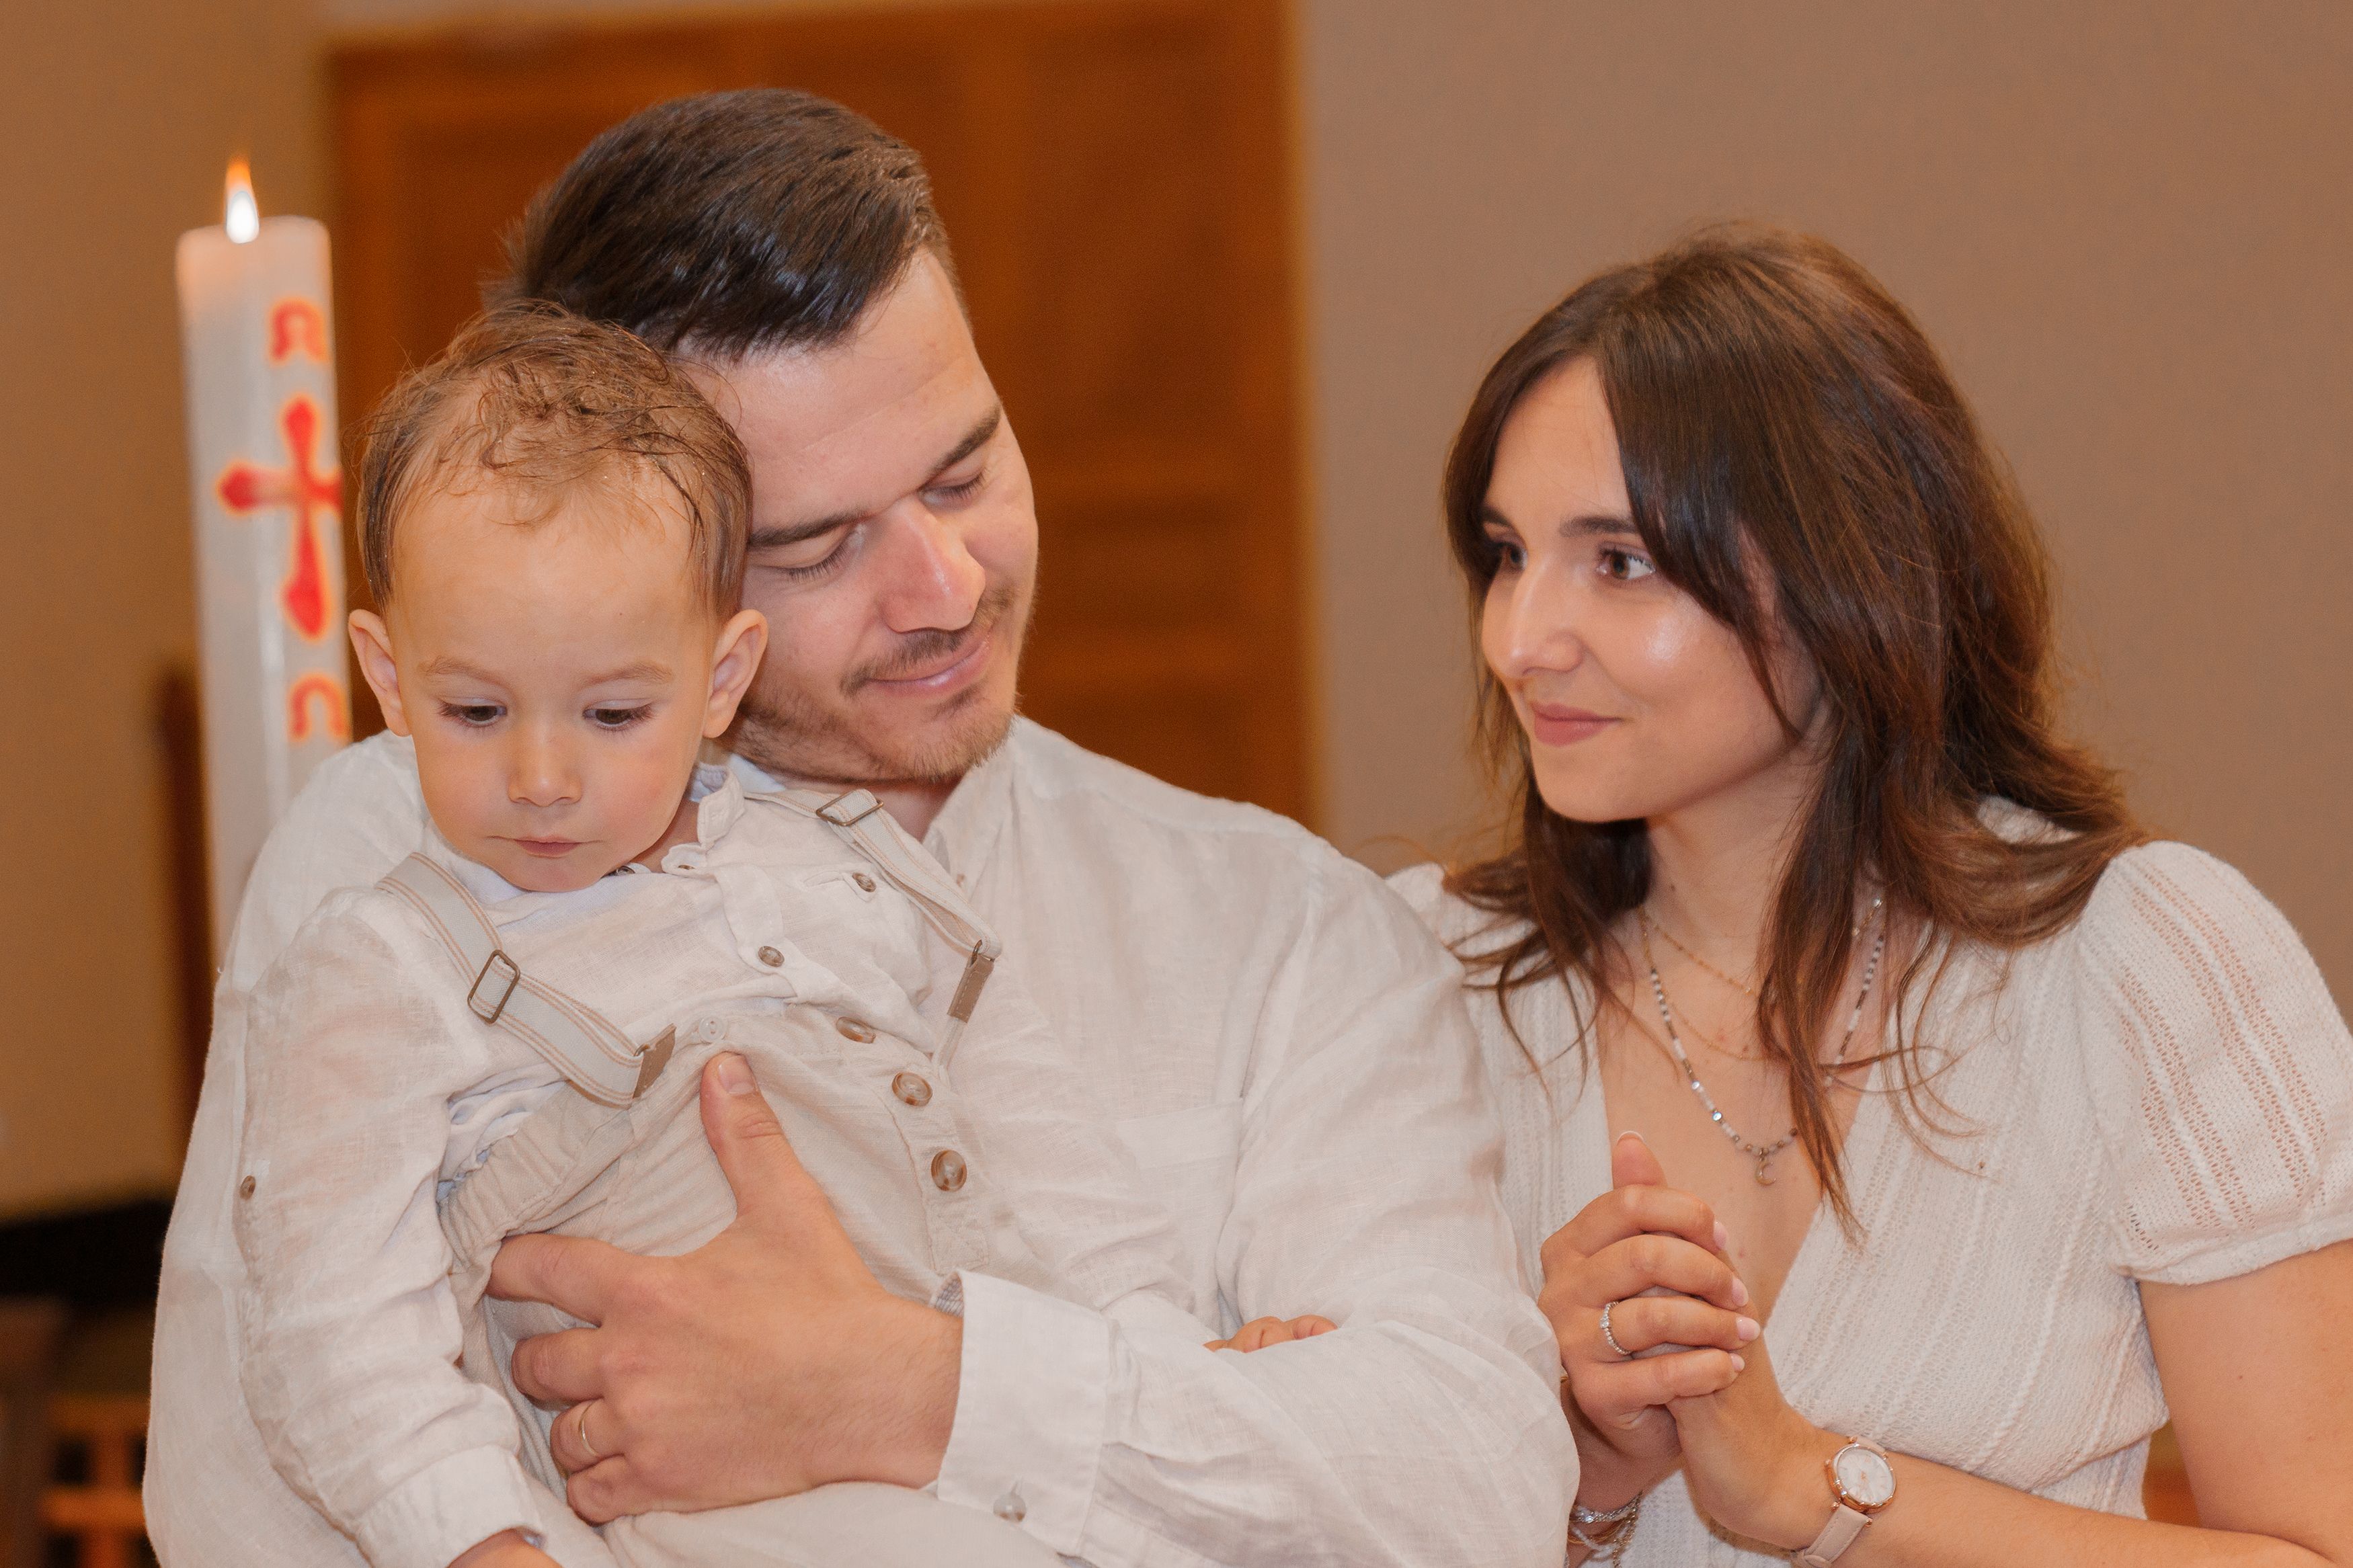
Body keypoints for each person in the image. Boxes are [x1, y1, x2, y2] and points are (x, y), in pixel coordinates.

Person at [147, 90, 1574, 1568]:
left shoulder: (1281, 924)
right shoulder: (404, 865)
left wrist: (907, 1391)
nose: (946, 587)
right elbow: (250, 1507)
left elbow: (1476, 1495)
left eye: (965, 472)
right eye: (821, 545)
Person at [229, 301, 1259, 1568]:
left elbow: (1031, 1139)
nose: (542, 777)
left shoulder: (836, 867)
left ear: (722, 680)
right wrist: (476, 1539)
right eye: (478, 710)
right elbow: (328, 1320)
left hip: (981, 1448)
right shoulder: (386, 968)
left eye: (613, 714)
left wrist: (1168, 1357)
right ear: (389, 678)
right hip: (720, 1516)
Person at [1390, 224, 2353, 1565]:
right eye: (1506, 554)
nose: (1519, 639)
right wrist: (1585, 1484)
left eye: (1618, 561)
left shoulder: (2141, 965)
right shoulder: (1415, 986)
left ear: (1845, 573)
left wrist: (1810, 1489)